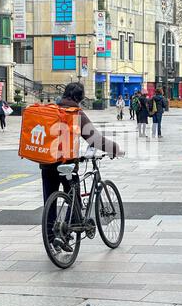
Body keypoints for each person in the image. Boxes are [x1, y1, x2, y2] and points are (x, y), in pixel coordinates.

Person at [40, 82, 123, 220]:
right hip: (67, 163)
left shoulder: (51, 110)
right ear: (80, 98)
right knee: (74, 201)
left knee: (49, 201)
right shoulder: (75, 113)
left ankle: (51, 238)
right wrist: (115, 148)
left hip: (46, 163)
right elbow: (95, 139)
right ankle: (68, 229)